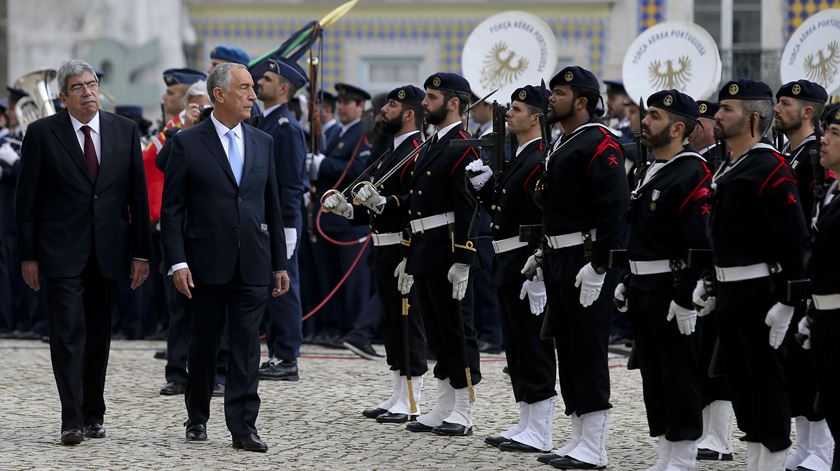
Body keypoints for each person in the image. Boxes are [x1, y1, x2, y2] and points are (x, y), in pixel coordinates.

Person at [15, 59, 151, 445]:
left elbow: (137, 198)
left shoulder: (123, 130)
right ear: (63, 97)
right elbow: (27, 203)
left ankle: (94, 412)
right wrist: (29, 255)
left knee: (97, 337)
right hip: (60, 253)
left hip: (108, 252)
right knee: (68, 335)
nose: (89, 92)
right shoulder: (42, 134)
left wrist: (141, 252)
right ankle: (71, 419)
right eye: (78, 87)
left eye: (92, 84)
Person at [160, 62, 289, 452]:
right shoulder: (187, 142)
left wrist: (279, 262)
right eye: (245, 88)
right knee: (204, 343)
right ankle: (197, 414)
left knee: (247, 346)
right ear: (220, 95)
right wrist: (178, 261)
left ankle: (243, 426)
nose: (253, 95)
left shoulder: (263, 141)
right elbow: (172, 209)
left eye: (253, 88)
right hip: (204, 262)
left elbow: (273, 205)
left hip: (251, 260)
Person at [359, 72, 481, 437]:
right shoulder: (431, 145)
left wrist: (464, 257)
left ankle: (463, 409)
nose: (424, 104)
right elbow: (416, 204)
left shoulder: (464, 145)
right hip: (426, 246)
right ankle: (443, 405)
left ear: (453, 103)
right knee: (440, 330)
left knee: (458, 329)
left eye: (430, 98)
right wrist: (388, 206)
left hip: (447, 245)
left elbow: (469, 206)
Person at [529, 66, 629, 470]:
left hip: (585, 260)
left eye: (560, 92)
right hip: (559, 257)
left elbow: (615, 208)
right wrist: (542, 253)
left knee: (587, 349)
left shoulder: (599, 142)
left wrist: (600, 264)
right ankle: (577, 437)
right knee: (567, 348)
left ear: (582, 101)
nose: (551, 98)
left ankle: (595, 445)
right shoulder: (563, 142)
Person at [705, 79, 808, 469]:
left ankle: (774, 462)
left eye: (727, 109)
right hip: (731, 292)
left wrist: (787, 300)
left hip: (759, 294)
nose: (717, 115)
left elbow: (795, 241)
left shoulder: (769, 166)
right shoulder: (732, 165)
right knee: (742, 387)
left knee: (766, 386)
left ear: (752, 118)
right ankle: (756, 461)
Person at [613, 90, 710, 470]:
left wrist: (687, 296)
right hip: (643, 287)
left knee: (679, 373)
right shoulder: (648, 169)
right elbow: (639, 233)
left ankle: (684, 456)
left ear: (678, 128)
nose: (645, 122)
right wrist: (626, 277)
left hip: (670, 290)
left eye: (654, 115)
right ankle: (667, 451)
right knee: (654, 374)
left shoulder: (691, 171)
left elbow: (698, 242)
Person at [323, 84, 428, 423]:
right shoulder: (391, 150)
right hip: (382, 245)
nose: (383, 111)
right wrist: (348, 211)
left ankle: (412, 399)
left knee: (407, 322)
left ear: (409, 113)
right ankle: (397, 392)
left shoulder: (416, 149)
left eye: (391, 106)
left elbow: (414, 202)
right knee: (390, 324)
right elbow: (372, 206)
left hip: (403, 245)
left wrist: (384, 205)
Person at [468, 85, 558, 453]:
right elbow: (505, 210)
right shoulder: (519, 154)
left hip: (525, 261)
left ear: (536, 117)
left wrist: (539, 268)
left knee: (533, 345)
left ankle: (541, 428)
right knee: (515, 346)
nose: (509, 114)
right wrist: (484, 187)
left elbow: (543, 216)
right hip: (506, 260)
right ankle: (526, 421)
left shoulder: (540, 157)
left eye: (517, 109)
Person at [773, 79, 833, 471]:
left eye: (786, 103)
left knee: (816, 366)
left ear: (807, 111)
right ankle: (805, 442)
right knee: (793, 364)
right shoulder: (789, 155)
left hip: (811, 273)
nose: (777, 108)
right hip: (787, 273)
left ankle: (823, 448)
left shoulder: (814, 156)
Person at [687, 99, 737, 463]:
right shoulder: (703, 162)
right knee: (702, 356)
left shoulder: (719, 162)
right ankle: (705, 432)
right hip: (704, 268)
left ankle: (721, 437)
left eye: (702, 120)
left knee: (720, 357)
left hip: (727, 270)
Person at [157, 80, 214, 397]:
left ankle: (215, 372)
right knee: (179, 308)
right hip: (182, 234)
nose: (204, 112)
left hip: (210, 234)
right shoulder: (179, 136)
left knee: (213, 309)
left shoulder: (224, 137)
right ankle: (177, 373)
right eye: (198, 106)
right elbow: (162, 163)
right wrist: (186, 126)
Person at [255, 58, 308, 381]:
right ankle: (276, 353)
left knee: (283, 288)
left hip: (282, 220)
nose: (261, 81)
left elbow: (291, 183)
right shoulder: (267, 123)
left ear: (284, 89)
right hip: (266, 219)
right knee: (270, 289)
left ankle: (287, 356)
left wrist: (288, 227)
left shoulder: (286, 128)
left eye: (269, 79)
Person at [306, 82, 372, 347]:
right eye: (341, 103)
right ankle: (331, 328)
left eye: (348, 103)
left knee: (352, 281)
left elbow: (359, 169)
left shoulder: (362, 134)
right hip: (328, 219)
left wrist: (324, 165)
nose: (342, 107)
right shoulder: (335, 134)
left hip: (350, 221)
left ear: (360, 107)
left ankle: (352, 328)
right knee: (328, 276)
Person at [800, 103, 840, 470]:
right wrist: (813, 312)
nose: (823, 140)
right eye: (825, 131)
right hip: (827, 317)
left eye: (834, 134)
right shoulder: (831, 192)